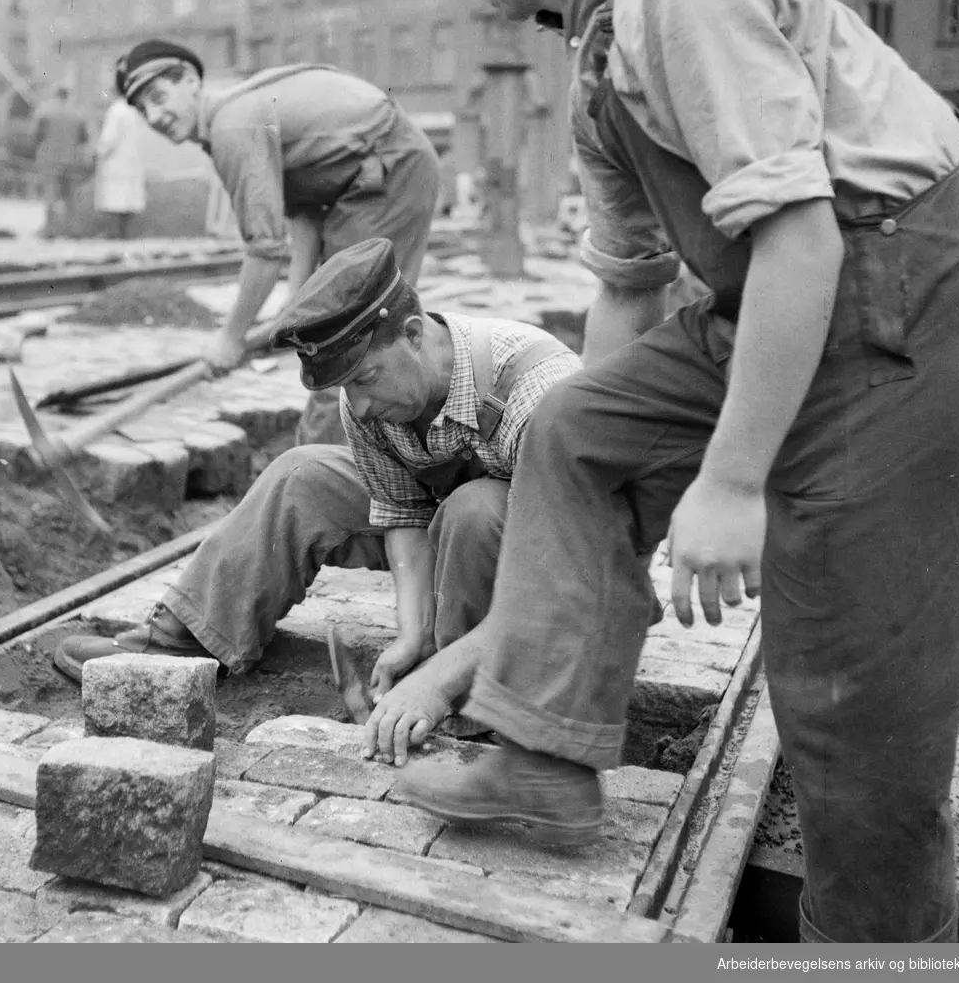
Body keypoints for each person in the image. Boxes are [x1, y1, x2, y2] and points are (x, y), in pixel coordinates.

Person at [388, 0, 959, 945]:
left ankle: (875, 956)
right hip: (785, 290)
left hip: (901, 291)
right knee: (573, 430)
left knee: (848, 694)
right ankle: (545, 755)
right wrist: (626, 486)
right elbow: (624, 290)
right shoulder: (597, 48)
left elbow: (801, 231)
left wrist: (732, 479)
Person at [52, 238, 582, 737]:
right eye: (346, 388)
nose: (360, 405)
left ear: (414, 335)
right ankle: (183, 643)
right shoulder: (372, 402)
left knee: (471, 510)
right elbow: (402, 513)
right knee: (301, 475)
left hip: (541, 551)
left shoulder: (536, 390)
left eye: (366, 379)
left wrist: (438, 677)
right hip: (449, 527)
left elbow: (562, 575)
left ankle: (471, 706)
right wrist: (412, 632)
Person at [114, 40, 441, 445]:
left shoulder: (232, 125)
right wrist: (296, 299)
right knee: (350, 335)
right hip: (372, 176)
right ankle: (364, 459)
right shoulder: (239, 114)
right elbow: (305, 207)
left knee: (346, 345)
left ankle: (323, 475)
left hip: (388, 173)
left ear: (191, 80)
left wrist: (231, 339)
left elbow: (265, 250)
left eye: (159, 97)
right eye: (142, 109)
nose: (154, 116)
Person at [93, 95, 147, 240]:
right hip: (133, 161)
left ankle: (113, 233)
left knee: (114, 201)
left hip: (116, 162)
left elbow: (109, 138)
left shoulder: (116, 111)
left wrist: (99, 151)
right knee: (128, 200)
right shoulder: (137, 110)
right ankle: (125, 233)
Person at [31, 84, 90, 213]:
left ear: (55, 95)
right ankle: (72, 229)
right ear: (68, 96)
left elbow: (36, 136)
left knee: (50, 195)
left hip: (50, 160)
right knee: (71, 197)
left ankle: (50, 229)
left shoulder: (45, 113)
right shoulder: (78, 114)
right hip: (72, 161)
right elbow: (84, 138)